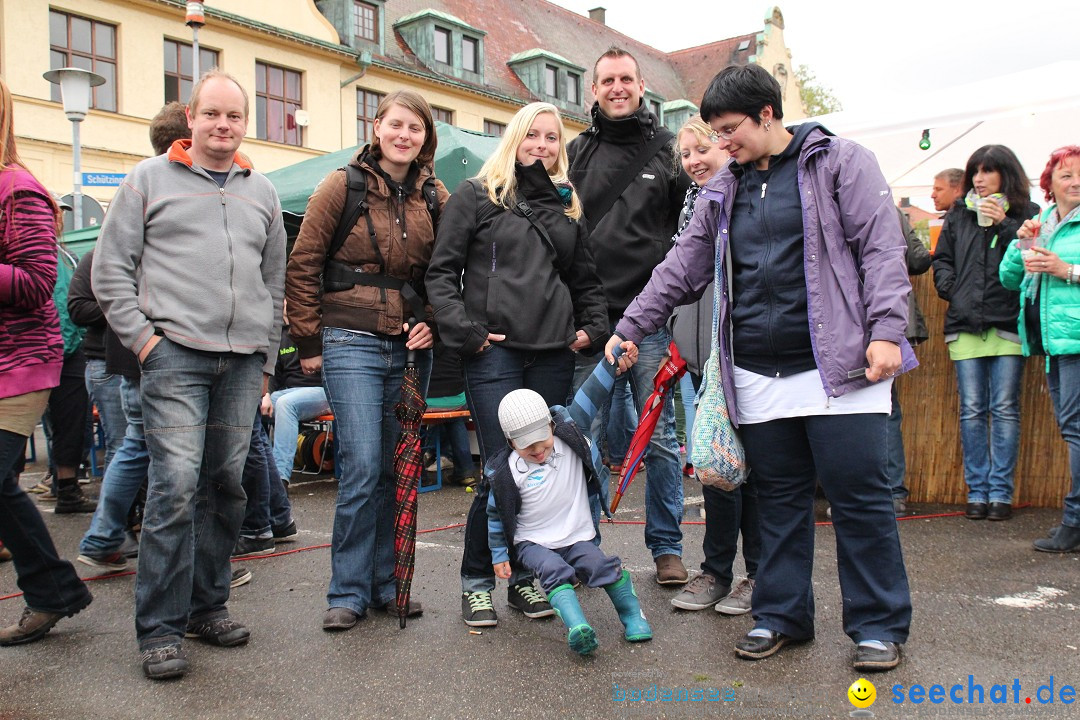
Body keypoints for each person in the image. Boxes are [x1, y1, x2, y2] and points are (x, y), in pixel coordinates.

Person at [608, 64, 915, 672]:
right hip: (757, 372)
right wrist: (631, 325)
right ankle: (780, 614)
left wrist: (887, 330)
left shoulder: (842, 163)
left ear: (767, 116)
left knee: (859, 499)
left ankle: (878, 626)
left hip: (839, 370)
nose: (722, 145)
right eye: (716, 134)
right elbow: (680, 267)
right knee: (776, 501)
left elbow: (881, 248)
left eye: (729, 130)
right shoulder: (727, 190)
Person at [93, 69, 285, 679]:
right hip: (174, 353)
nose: (222, 126)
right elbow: (109, 271)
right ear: (191, 119)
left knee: (226, 487)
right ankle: (160, 629)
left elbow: (273, 283)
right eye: (212, 115)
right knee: (173, 487)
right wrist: (147, 342)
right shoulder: (148, 180)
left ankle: (208, 606)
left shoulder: (263, 191)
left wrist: (266, 363)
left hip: (242, 360)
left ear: (244, 123)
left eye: (234, 116)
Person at [425, 101, 607, 627]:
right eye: (534, 136)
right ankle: (478, 582)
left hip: (551, 354)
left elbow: (586, 282)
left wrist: (590, 330)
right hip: (495, 354)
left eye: (552, 138)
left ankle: (525, 582)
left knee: (542, 470)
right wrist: (469, 334)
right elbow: (442, 275)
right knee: (501, 469)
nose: (543, 146)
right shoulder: (476, 195)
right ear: (514, 138)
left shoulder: (568, 207)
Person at [287, 90, 447, 632]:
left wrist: (434, 318)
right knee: (360, 466)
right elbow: (304, 261)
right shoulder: (343, 184)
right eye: (396, 125)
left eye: (416, 128)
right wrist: (307, 343)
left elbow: (448, 271)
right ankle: (348, 591)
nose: (405, 135)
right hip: (349, 339)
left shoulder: (434, 193)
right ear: (376, 127)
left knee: (395, 467)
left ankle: (386, 584)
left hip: (409, 346)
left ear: (426, 137)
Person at [566, 47, 691, 586]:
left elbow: (691, 230)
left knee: (659, 437)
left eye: (626, 79)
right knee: (581, 439)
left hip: (649, 319)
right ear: (593, 90)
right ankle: (584, 541)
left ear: (642, 87)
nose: (617, 87)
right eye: (607, 80)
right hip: (591, 319)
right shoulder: (575, 151)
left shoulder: (668, 151)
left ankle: (666, 546)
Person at [0, 74, 93, 645]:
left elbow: (38, 282)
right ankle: (53, 588)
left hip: (17, 364)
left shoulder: (19, 189)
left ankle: (54, 588)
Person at [663, 118, 761, 616]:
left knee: (759, 473)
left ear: (727, 146)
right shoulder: (690, 207)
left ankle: (758, 576)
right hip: (704, 361)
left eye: (703, 148)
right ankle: (718, 571)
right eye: (686, 154)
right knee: (715, 468)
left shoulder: (747, 200)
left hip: (751, 360)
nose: (694, 160)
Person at [488, 389, 651, 655]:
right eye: (528, 447)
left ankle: (634, 616)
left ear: (551, 426)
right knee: (552, 569)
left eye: (543, 440)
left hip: (575, 535)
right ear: (511, 442)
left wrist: (614, 355)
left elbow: (592, 390)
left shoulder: (572, 437)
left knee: (600, 565)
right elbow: (495, 516)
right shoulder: (506, 473)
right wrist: (498, 554)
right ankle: (578, 628)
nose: (539, 451)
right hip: (532, 541)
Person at [932, 145, 1039, 521]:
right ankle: (977, 493)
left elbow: (1032, 258)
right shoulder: (959, 213)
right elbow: (941, 258)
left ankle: (1001, 494)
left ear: (1005, 175)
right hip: (964, 323)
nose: (978, 178)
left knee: (1005, 409)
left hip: (1008, 322)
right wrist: (951, 288)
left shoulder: (1027, 214)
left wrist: (1004, 225)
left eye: (987, 171)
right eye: (974, 171)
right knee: (973, 411)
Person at [999, 145, 1080, 552]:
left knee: (1077, 430)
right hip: (1052, 341)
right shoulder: (1045, 222)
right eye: (1066, 176)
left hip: (1075, 340)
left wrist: (1066, 270)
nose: (1076, 182)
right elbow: (1011, 280)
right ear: (1050, 183)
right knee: (1073, 430)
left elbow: (1061, 272)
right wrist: (1020, 245)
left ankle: (1075, 520)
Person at [886, 209, 932, 515]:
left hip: (848, 320)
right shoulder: (886, 204)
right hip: (889, 317)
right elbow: (918, 259)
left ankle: (886, 492)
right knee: (885, 409)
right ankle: (892, 493)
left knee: (876, 410)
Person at [261, 299, 330, 484]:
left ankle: (279, 479)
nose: (286, 305)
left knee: (286, 404)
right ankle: (259, 472)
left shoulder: (319, 330)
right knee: (254, 404)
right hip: (290, 392)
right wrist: (265, 394)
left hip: (323, 391)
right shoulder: (281, 336)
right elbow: (274, 375)